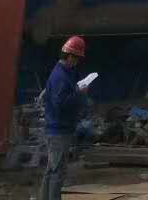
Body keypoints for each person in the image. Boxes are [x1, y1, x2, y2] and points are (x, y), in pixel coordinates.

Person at [41, 36, 87, 200]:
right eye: (77, 59)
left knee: (52, 169)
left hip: (58, 129)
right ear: (70, 57)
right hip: (59, 131)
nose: (77, 62)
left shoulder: (62, 73)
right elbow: (61, 104)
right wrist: (79, 94)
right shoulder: (60, 76)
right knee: (57, 172)